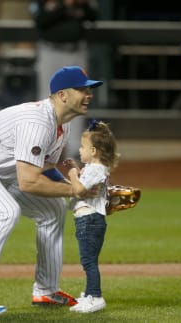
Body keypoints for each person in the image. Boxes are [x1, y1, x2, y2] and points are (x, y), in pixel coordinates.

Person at [0, 65, 103, 314]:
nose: (89, 95)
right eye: (82, 89)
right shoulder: (37, 122)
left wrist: (77, 189)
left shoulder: (62, 124)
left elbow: (44, 168)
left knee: (53, 210)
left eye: (90, 90)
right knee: (5, 213)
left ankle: (46, 291)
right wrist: (75, 191)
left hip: (3, 173)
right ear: (63, 95)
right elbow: (29, 182)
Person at [62, 119, 119, 313]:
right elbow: (84, 182)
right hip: (88, 219)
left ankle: (96, 296)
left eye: (83, 147)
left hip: (90, 220)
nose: (80, 150)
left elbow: (78, 190)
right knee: (89, 260)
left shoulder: (97, 169)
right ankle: (88, 294)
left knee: (88, 262)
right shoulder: (93, 169)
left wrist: (71, 174)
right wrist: (77, 169)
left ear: (93, 151)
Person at [29, 0, 99, 159]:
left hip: (76, 51)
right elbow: (40, 20)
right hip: (50, 51)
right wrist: (64, 6)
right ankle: (43, 150)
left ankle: (75, 150)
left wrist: (82, 5)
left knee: (78, 99)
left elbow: (94, 17)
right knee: (47, 100)